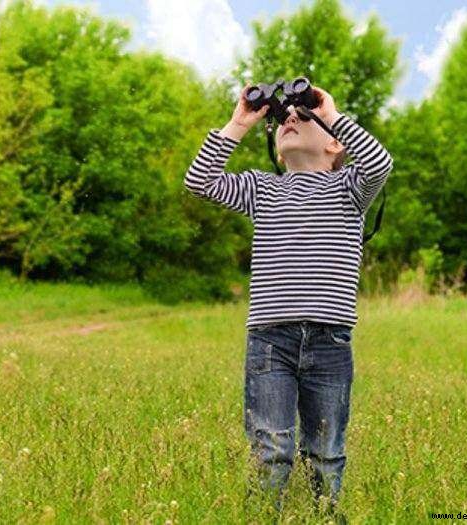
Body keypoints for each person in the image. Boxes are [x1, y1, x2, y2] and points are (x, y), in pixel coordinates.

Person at [183, 82, 393, 517]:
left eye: (303, 115)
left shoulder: (350, 190)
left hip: (330, 343)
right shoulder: (264, 189)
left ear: (335, 144)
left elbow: (379, 163)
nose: (290, 120)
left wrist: (329, 112)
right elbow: (199, 181)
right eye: (284, 118)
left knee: (326, 452)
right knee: (272, 449)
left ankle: (322, 516)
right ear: (277, 148)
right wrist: (241, 121)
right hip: (270, 343)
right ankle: (262, 516)